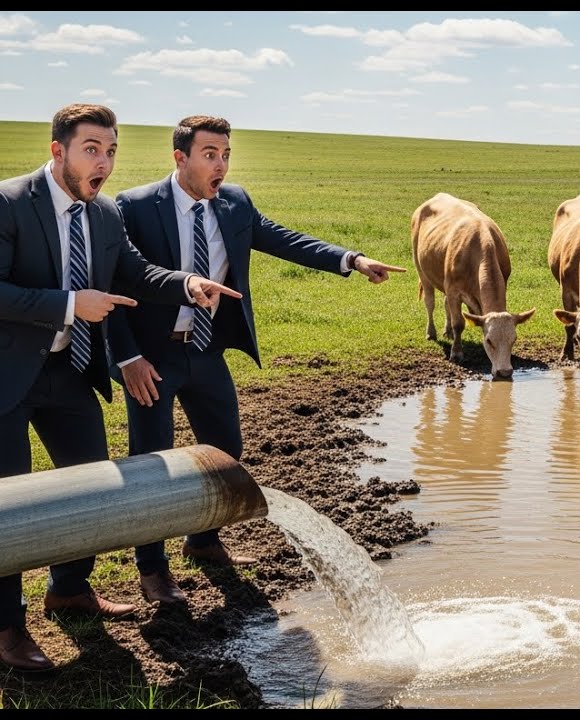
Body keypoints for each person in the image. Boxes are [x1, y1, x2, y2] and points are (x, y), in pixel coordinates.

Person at [108, 115, 405, 607]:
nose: (220, 164)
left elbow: (282, 239)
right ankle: (153, 571)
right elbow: (116, 284)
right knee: (152, 466)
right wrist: (130, 357)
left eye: (225, 154)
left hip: (205, 351)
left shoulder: (235, 202)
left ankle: (204, 542)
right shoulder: (135, 206)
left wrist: (351, 260)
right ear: (180, 158)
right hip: (153, 358)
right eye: (209, 155)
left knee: (226, 448)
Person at [0, 103, 241, 673]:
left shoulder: (104, 213)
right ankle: (8, 626)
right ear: (58, 150)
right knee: (8, 504)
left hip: (69, 373)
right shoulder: (9, 203)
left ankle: (68, 589)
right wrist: (67, 305)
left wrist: (186, 282)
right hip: (7, 377)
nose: (103, 162)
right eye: (92, 149)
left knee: (91, 488)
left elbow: (133, 273)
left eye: (110, 150)